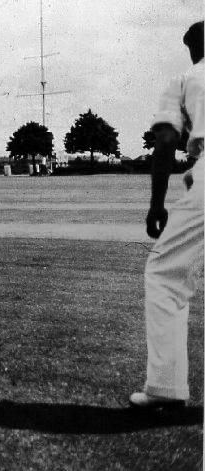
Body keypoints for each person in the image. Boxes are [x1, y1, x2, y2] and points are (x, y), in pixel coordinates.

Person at [129, 20, 204, 409]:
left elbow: (165, 142)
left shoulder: (185, 78)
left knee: (165, 274)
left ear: (193, 47)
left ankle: (166, 387)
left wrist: (157, 204)